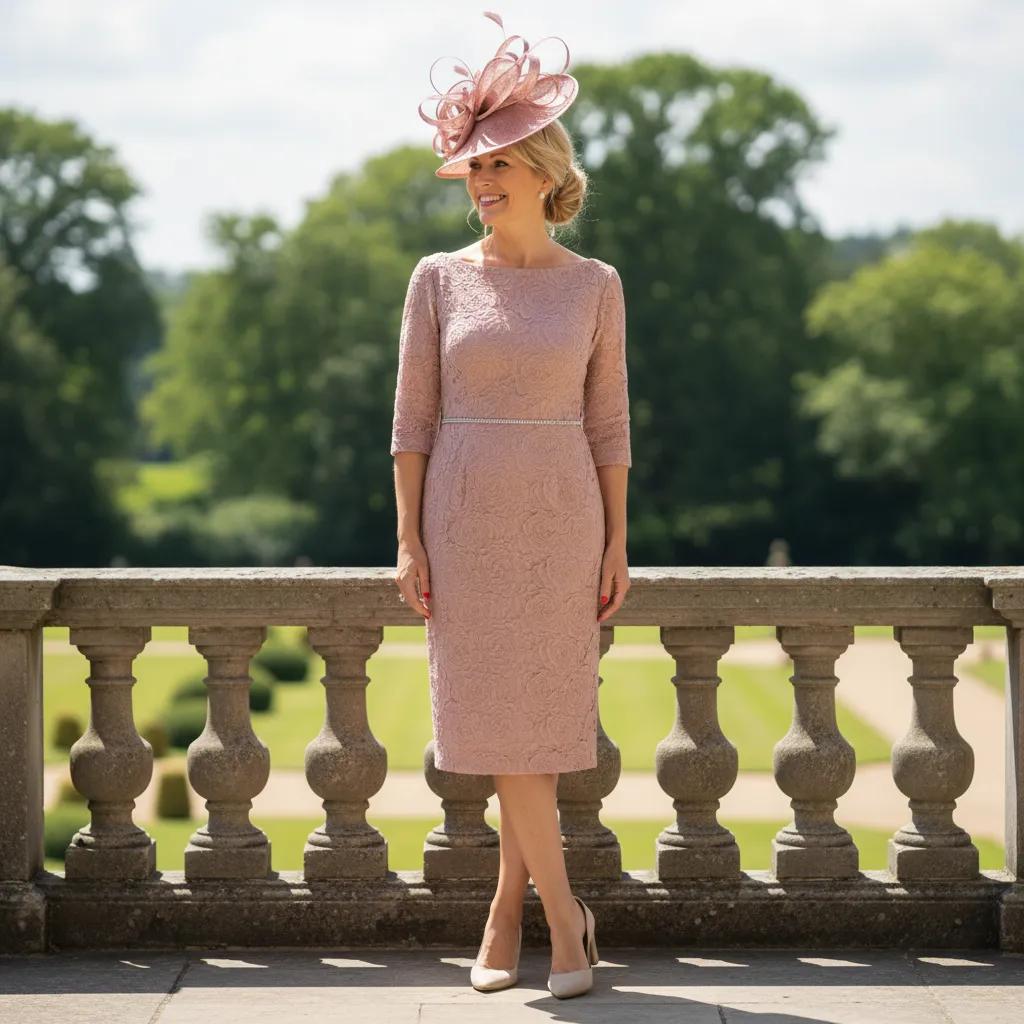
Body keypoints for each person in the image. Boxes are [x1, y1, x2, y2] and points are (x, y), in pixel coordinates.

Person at [390, 11, 631, 1000]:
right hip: (462, 521)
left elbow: (609, 426)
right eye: (473, 168)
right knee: (493, 724)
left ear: (541, 170)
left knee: (536, 726)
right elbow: (411, 421)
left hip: (562, 521)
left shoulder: (596, 286)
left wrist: (618, 541)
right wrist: (408, 539)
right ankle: (563, 920)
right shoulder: (437, 280)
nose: (481, 183)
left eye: (498, 165)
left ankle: (513, 913)